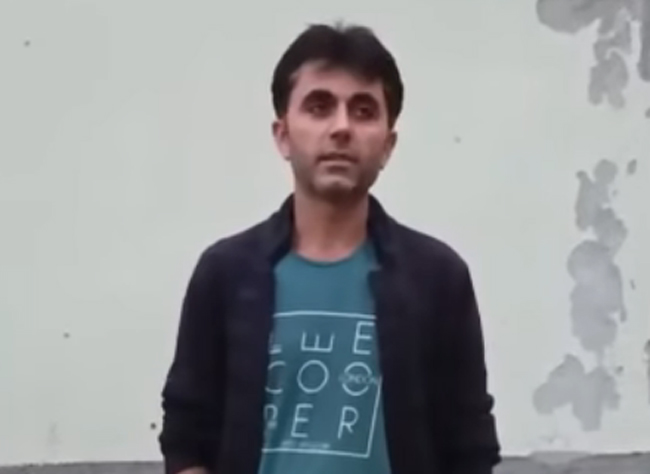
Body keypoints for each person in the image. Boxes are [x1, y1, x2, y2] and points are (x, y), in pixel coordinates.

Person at [159, 21, 501, 474]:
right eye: (319, 107)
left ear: (388, 144)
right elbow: (186, 436)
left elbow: (469, 446)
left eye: (363, 111)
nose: (341, 128)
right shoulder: (225, 273)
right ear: (283, 134)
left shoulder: (438, 278)